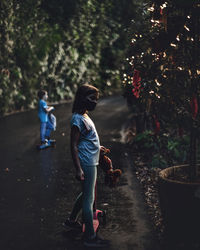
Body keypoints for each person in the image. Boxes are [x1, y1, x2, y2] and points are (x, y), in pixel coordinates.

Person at [63, 84, 109, 248]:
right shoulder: (77, 119)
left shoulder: (85, 116)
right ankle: (90, 237)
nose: (95, 102)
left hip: (92, 159)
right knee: (89, 200)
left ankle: (71, 221)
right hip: (86, 162)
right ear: (83, 98)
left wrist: (98, 148)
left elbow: (87, 138)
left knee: (86, 194)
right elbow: (73, 145)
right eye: (92, 99)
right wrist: (78, 169)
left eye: (96, 99)